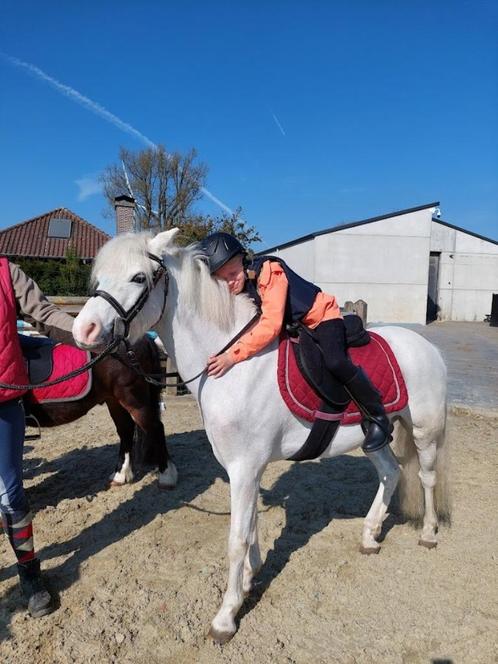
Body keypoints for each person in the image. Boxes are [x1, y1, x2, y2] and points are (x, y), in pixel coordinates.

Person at [202, 232, 393, 454]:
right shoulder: (241, 284)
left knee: (335, 362)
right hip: (296, 324)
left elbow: (271, 324)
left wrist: (231, 356)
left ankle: (377, 416)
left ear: (244, 262)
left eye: (233, 274)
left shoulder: (269, 271)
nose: (230, 283)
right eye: (222, 279)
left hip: (321, 316)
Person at [0, 257, 75, 617]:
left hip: (3, 401)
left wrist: (84, 332)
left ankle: (29, 575)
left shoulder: (6, 272)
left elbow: (44, 313)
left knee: (11, 494)